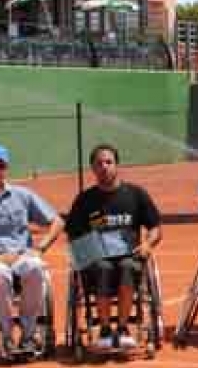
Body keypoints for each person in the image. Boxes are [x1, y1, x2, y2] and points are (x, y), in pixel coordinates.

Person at [0, 144, 64, 354]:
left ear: (6, 169)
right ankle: (7, 337)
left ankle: (28, 336)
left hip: (20, 256)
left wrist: (41, 247)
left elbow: (56, 221)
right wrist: (0, 259)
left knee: (36, 266)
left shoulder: (22, 195)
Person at [65, 144, 162, 349]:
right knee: (103, 268)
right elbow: (73, 235)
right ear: (92, 168)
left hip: (130, 256)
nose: (104, 167)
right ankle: (105, 329)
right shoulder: (85, 200)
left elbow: (155, 229)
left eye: (109, 162)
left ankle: (123, 328)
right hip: (98, 260)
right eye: (99, 163)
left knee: (127, 266)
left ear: (117, 165)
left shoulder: (136, 195)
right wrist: (89, 251)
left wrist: (147, 244)